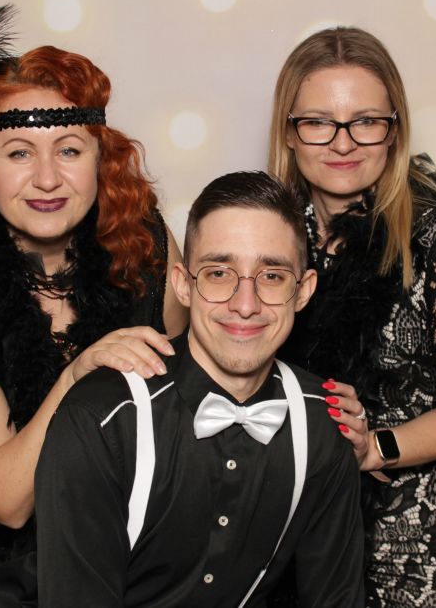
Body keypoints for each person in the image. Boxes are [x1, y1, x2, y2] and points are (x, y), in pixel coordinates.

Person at [0, 5, 187, 607]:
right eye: (18, 153)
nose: (46, 179)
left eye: (69, 150)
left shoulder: (148, 245)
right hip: (33, 583)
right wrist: (79, 374)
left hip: (157, 568)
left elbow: (194, 403)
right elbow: (4, 501)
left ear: (101, 160)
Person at [34, 171, 364, 607]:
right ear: (183, 285)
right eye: (218, 272)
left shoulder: (325, 424)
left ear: (302, 292)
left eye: (272, 276)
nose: (245, 305)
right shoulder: (100, 420)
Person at [268, 27, 436, 607]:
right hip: (293, 539)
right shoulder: (267, 243)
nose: (342, 142)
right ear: (290, 132)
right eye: (319, 121)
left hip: (417, 549)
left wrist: (372, 448)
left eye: (366, 121)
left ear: (394, 130)